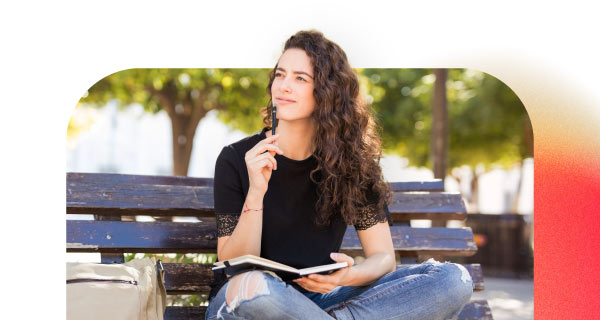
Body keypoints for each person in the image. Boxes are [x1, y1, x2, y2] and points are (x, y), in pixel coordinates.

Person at [205, 30, 473, 320]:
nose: (283, 86)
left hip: (319, 302)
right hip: (246, 304)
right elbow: (233, 264)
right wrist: (256, 191)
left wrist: (347, 277)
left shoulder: (352, 164)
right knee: (253, 286)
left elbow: (383, 258)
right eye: (280, 75)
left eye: (300, 78)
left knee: (453, 279)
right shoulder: (237, 159)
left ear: (327, 93)